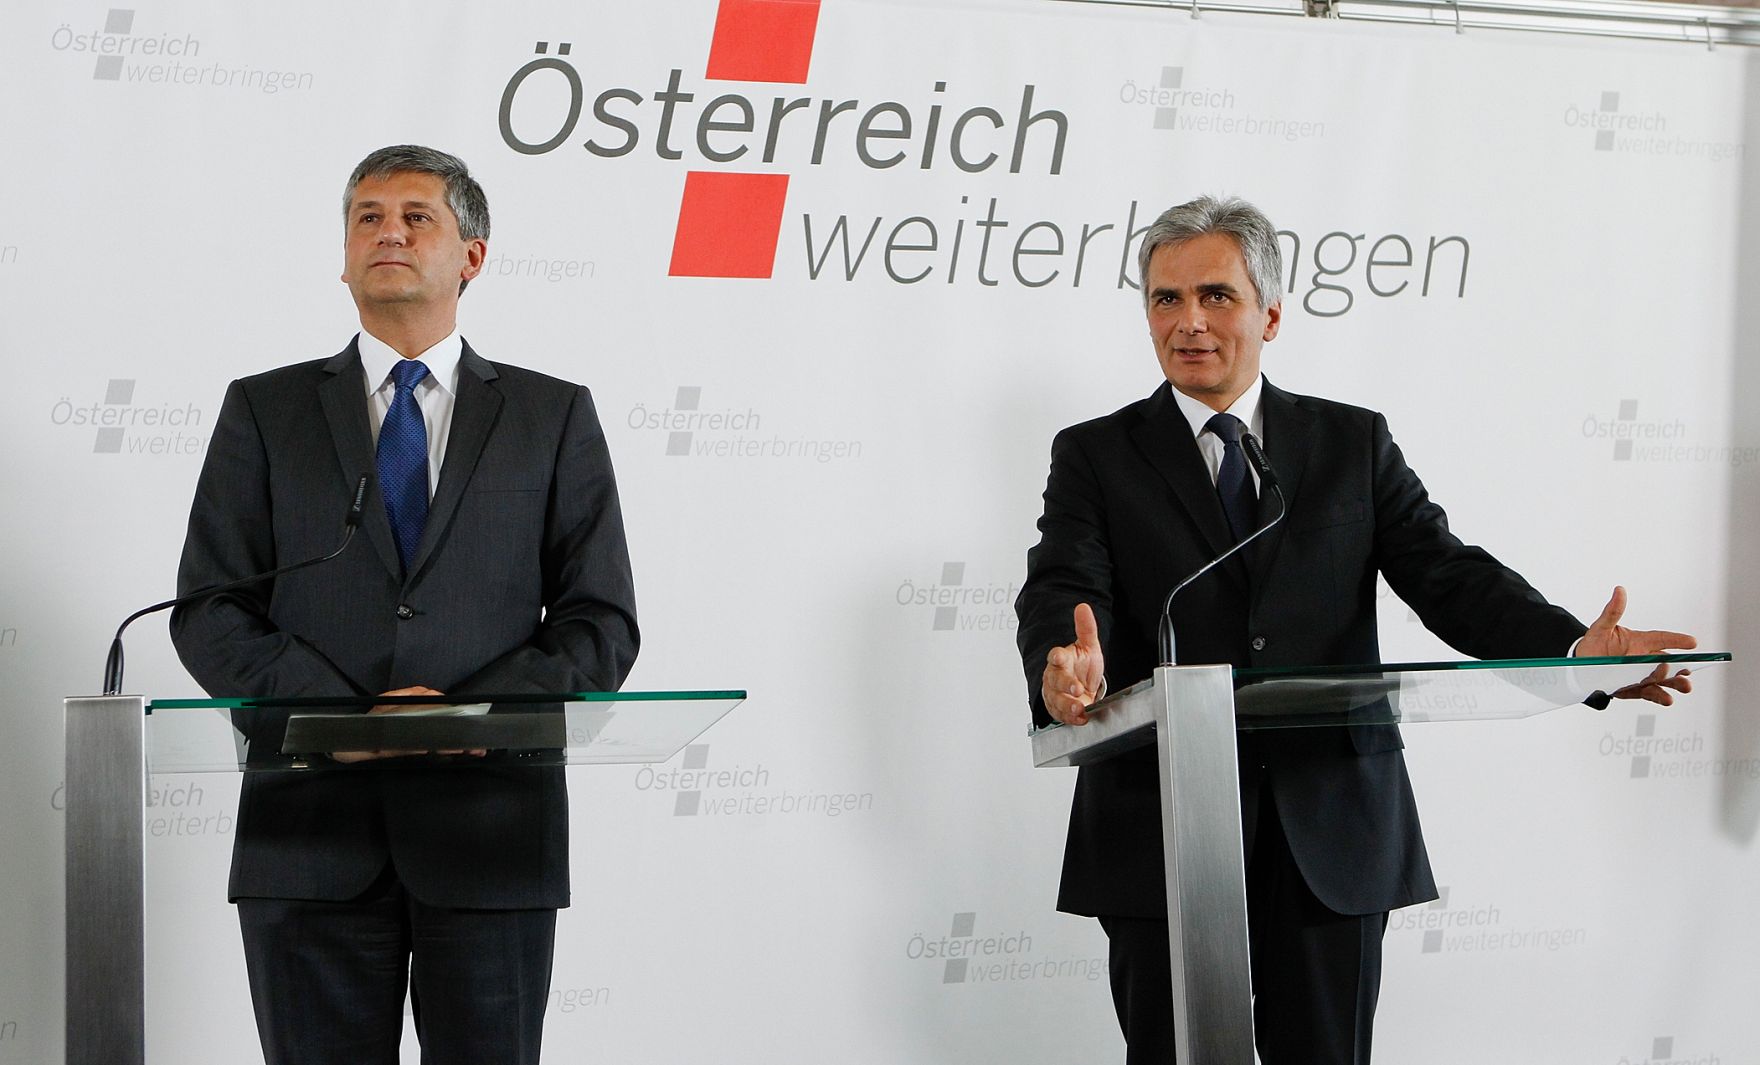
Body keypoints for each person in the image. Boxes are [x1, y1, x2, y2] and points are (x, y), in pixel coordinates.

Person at [1013, 195, 1694, 1065]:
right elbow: (1065, 584)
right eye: (1164, 299)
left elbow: (1448, 576)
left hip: (1328, 833)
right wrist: (1060, 666)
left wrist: (1573, 652)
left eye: (1216, 296)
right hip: (1163, 834)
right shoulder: (1096, 453)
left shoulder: (1349, 443)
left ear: (1271, 312)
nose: (1189, 321)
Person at [170, 144, 639, 1065]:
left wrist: (477, 717)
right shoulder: (263, 411)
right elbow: (210, 610)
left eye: (416, 215)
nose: (388, 231)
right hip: (307, 838)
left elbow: (601, 623)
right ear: (343, 257)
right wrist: (339, 718)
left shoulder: (553, 416)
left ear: (472, 255)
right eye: (367, 217)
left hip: (492, 837)